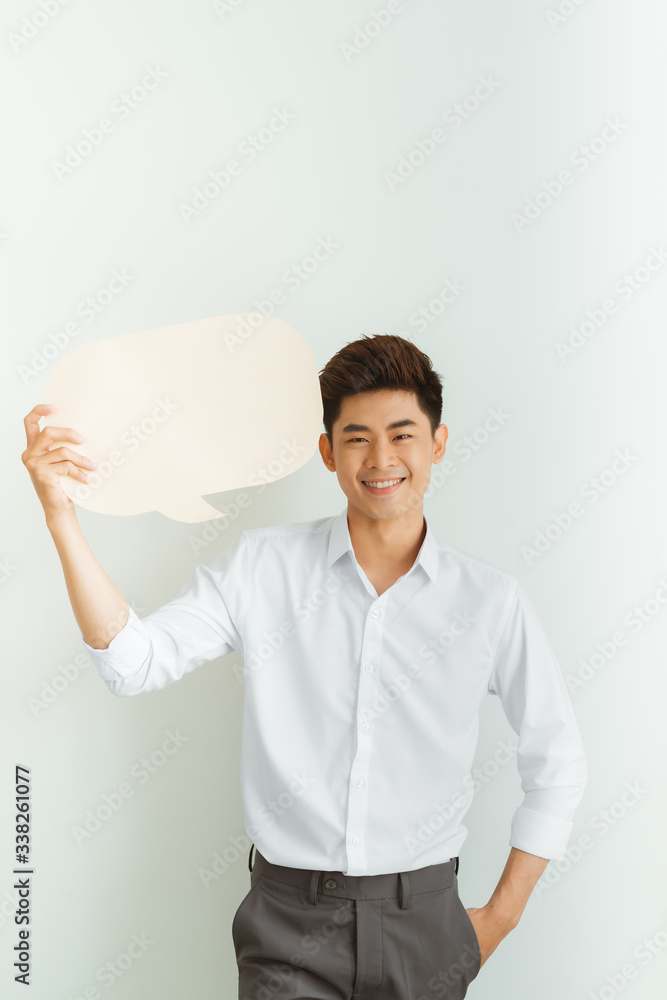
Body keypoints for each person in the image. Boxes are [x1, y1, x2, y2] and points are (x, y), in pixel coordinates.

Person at [22, 334, 587, 999]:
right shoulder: (262, 569)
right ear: (327, 452)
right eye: (356, 438)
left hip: (425, 925)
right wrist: (60, 515)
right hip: (287, 924)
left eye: (402, 435)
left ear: (436, 443)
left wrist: (498, 919)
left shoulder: (489, 601)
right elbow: (133, 664)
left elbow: (557, 763)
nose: (380, 459)